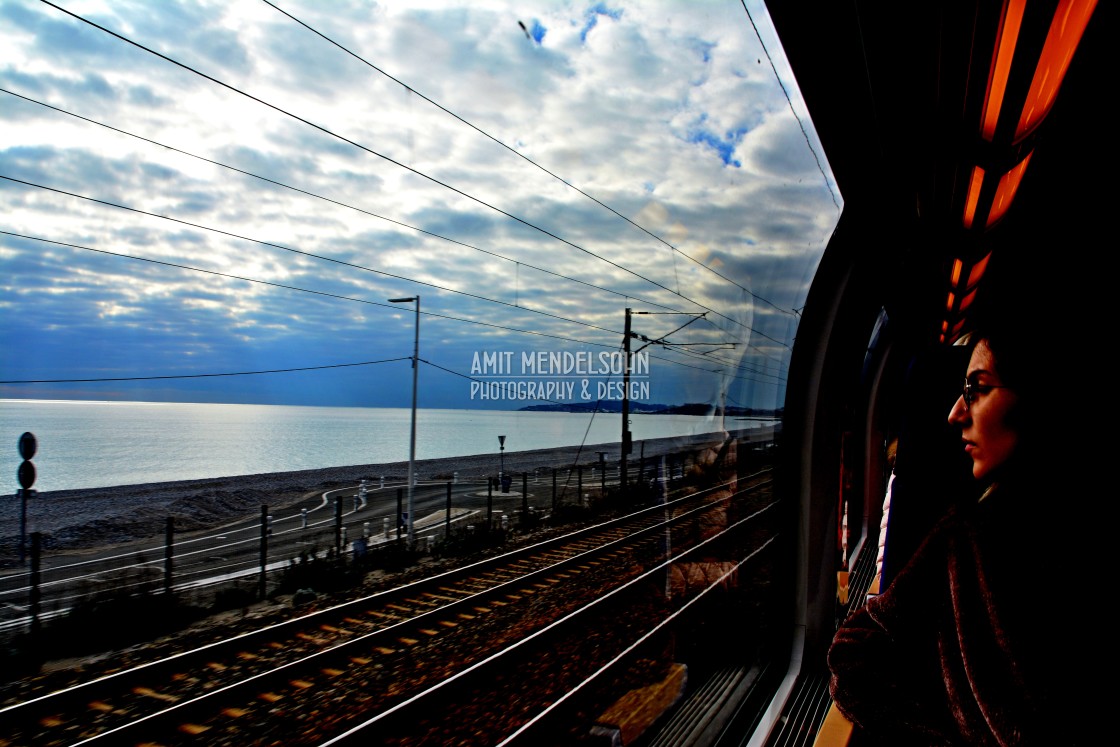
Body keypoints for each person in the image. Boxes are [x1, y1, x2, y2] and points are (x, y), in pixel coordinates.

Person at [826, 317, 1093, 745]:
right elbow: (859, 647)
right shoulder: (967, 532)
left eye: (977, 389)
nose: (954, 413)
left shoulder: (973, 534)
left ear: (1038, 398)